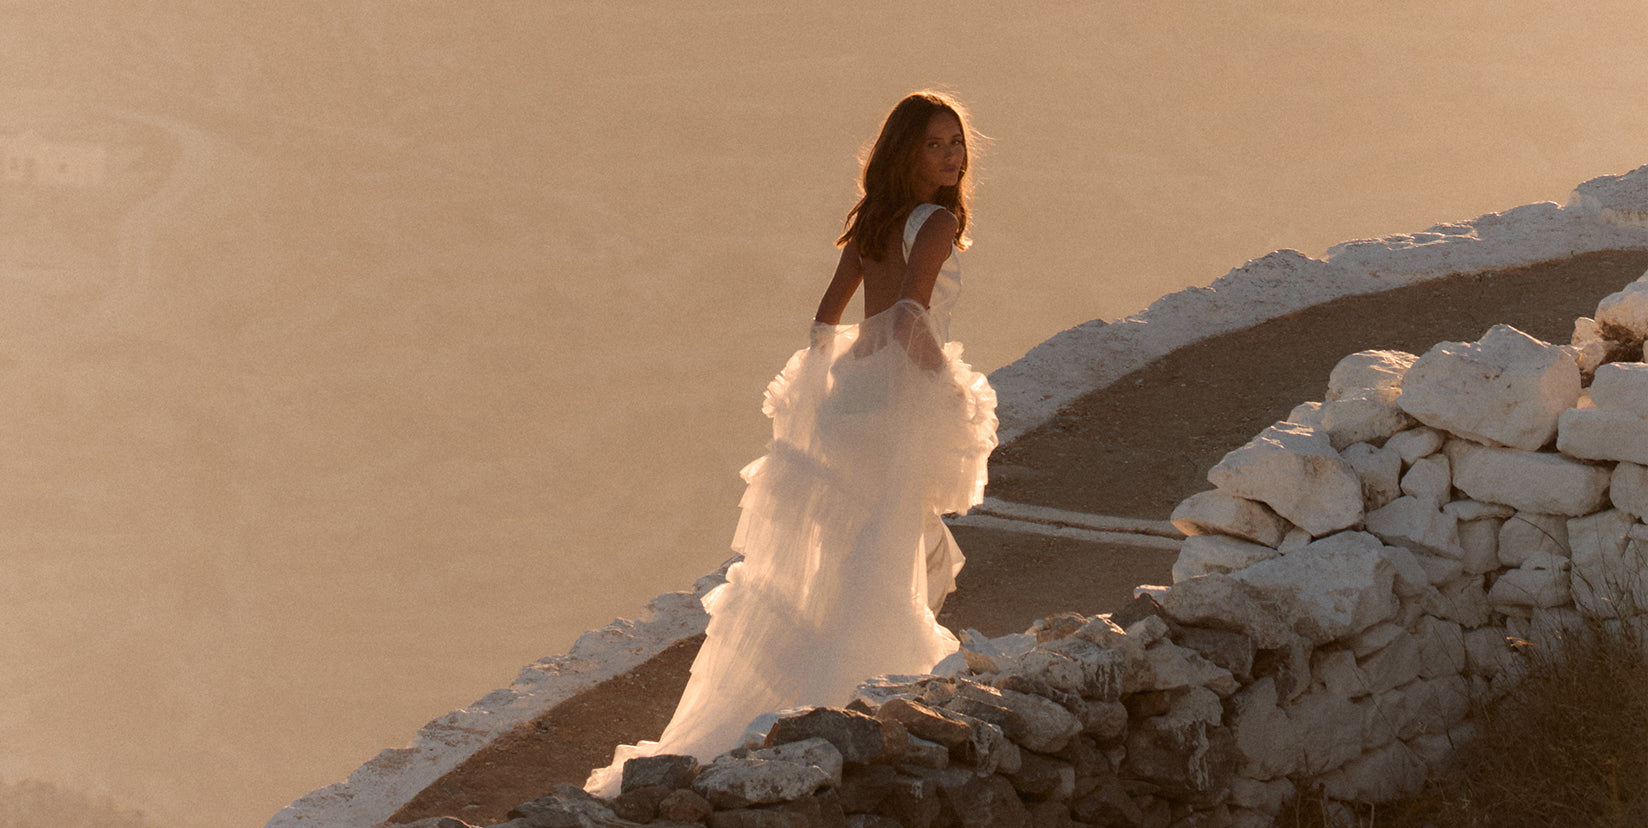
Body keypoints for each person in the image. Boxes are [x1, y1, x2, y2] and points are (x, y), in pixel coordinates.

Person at [585, 90, 997, 796]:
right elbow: (910, 317)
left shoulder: (875, 220)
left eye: (956, 142)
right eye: (935, 144)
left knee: (838, 551)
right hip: (894, 402)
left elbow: (825, 317)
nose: (952, 155)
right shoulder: (933, 222)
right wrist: (948, 389)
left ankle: (788, 699)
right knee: (883, 545)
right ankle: (855, 689)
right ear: (908, 152)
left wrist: (834, 384)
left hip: (848, 402)